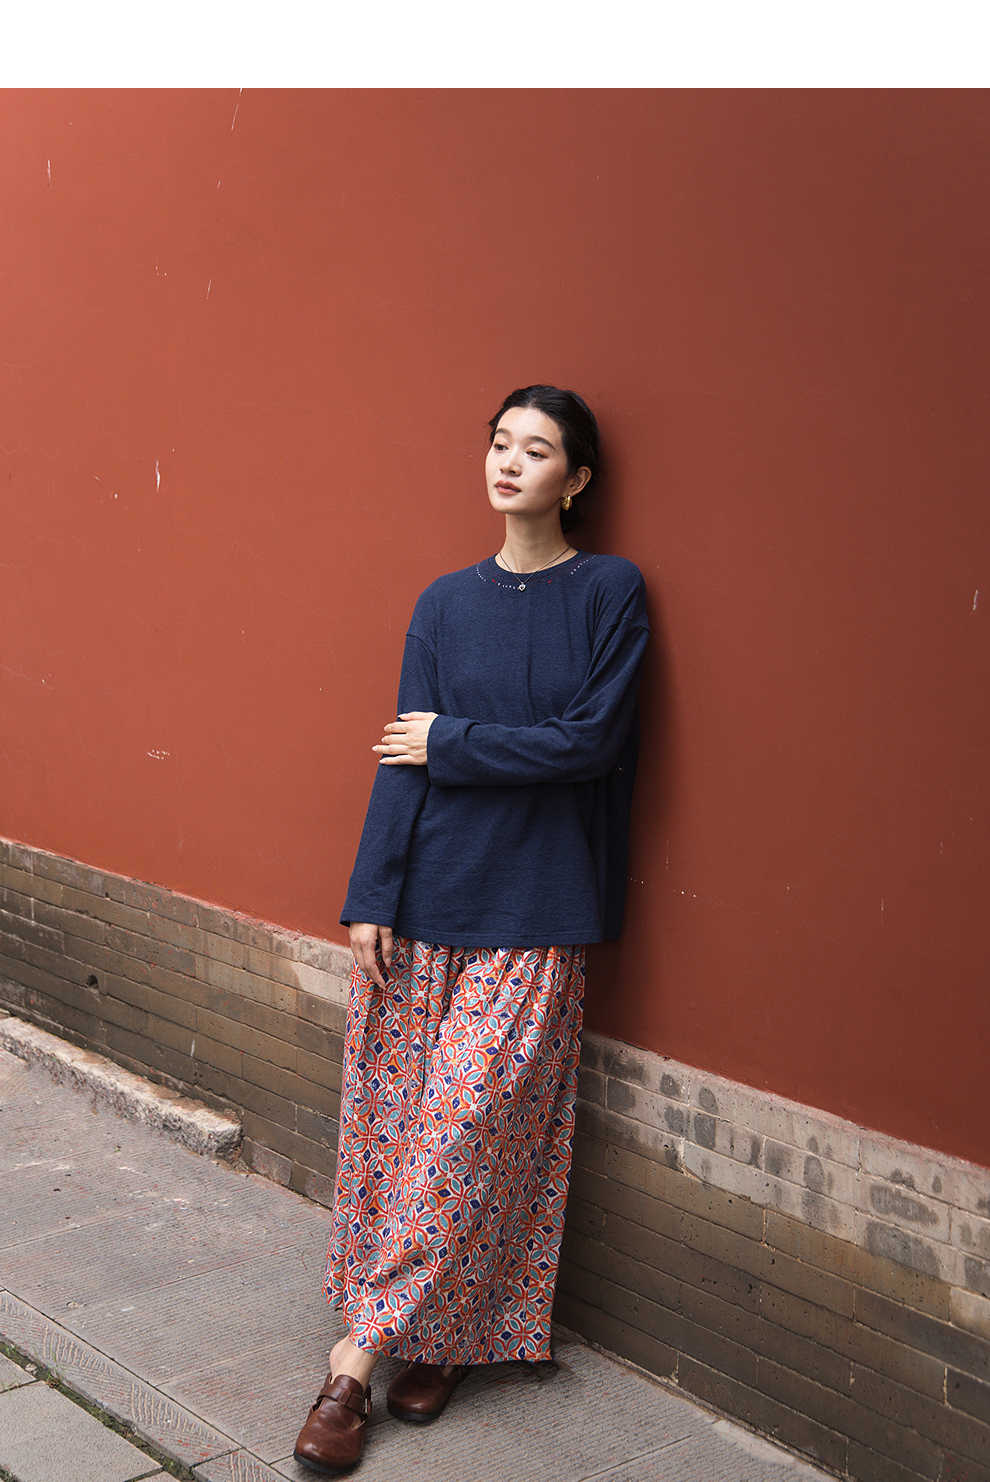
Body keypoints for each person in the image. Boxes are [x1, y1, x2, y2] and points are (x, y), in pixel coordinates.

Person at [293, 384, 650, 1475]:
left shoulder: (610, 592)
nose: (508, 462)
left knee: (469, 1134)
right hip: (427, 899)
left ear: (575, 480)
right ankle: (445, 1340)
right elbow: (400, 756)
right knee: (402, 1137)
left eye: (536, 450)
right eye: (499, 443)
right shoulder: (444, 604)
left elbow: (589, 744)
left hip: (536, 908)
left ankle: (352, 1366)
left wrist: (453, 740)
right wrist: (370, 893)